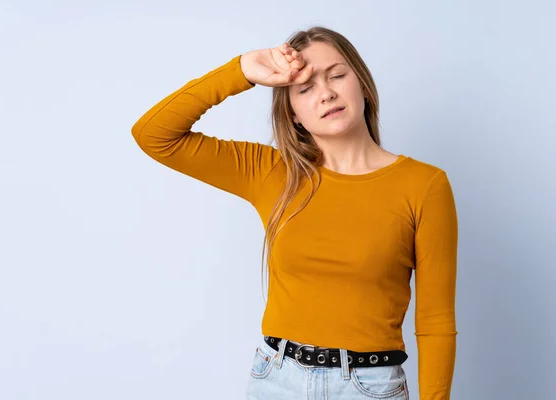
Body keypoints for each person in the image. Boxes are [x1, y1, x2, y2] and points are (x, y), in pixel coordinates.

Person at [131, 25, 458, 400]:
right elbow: (154, 134)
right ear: (295, 115)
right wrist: (241, 70)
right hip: (275, 380)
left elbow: (436, 321)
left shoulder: (425, 185)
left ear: (363, 84)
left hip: (369, 387)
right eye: (306, 89)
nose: (326, 93)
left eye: (337, 75)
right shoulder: (271, 172)